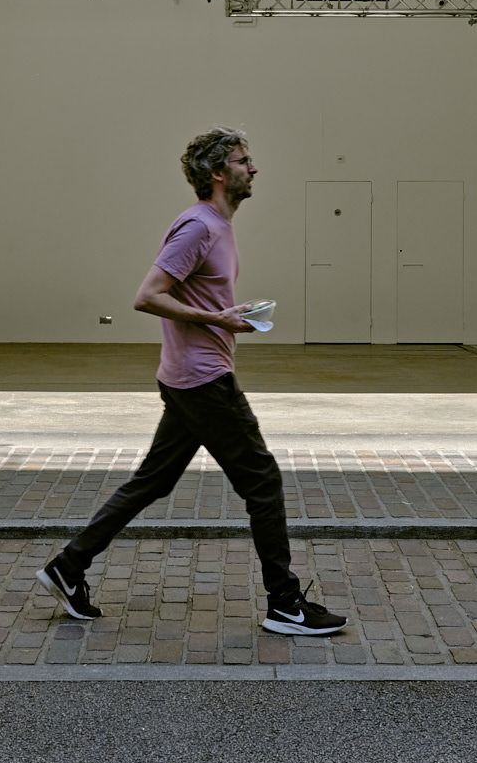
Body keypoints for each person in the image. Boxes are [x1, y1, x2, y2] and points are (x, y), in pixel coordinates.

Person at [37, 126, 346, 637]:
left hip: (186, 377)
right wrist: (216, 319)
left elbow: (193, 296)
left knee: (152, 482)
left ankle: (69, 566)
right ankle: (286, 605)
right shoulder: (199, 227)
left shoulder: (218, 225)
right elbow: (147, 296)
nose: (254, 168)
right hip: (204, 380)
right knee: (263, 483)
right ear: (219, 173)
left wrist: (226, 312)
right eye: (244, 161)